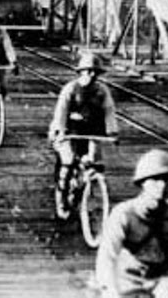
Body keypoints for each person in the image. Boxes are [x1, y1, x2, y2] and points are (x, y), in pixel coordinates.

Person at [95, 149, 168, 298]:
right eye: (155, 179)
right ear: (143, 182)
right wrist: (110, 291)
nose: (162, 185)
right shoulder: (124, 213)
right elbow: (107, 256)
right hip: (127, 279)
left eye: (167, 180)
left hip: (164, 279)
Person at [48, 52, 118, 217]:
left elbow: (109, 110)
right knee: (68, 161)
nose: (92, 75)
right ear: (81, 72)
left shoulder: (102, 91)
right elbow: (61, 111)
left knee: (94, 163)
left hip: (92, 131)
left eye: (95, 72)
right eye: (88, 71)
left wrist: (112, 131)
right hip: (69, 131)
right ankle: (61, 201)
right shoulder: (71, 89)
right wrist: (60, 130)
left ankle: (87, 188)